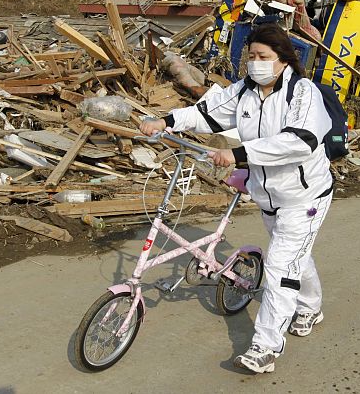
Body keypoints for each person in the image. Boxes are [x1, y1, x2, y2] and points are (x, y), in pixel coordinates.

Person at [139, 24, 334, 374]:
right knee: (292, 257)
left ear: (283, 59)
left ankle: (266, 346)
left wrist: (239, 155)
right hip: (267, 195)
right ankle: (310, 307)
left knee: (278, 267)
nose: (256, 63)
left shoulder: (302, 93)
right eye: (252, 56)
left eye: (264, 57)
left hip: (305, 195)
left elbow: (300, 140)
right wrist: (166, 121)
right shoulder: (244, 91)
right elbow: (206, 113)